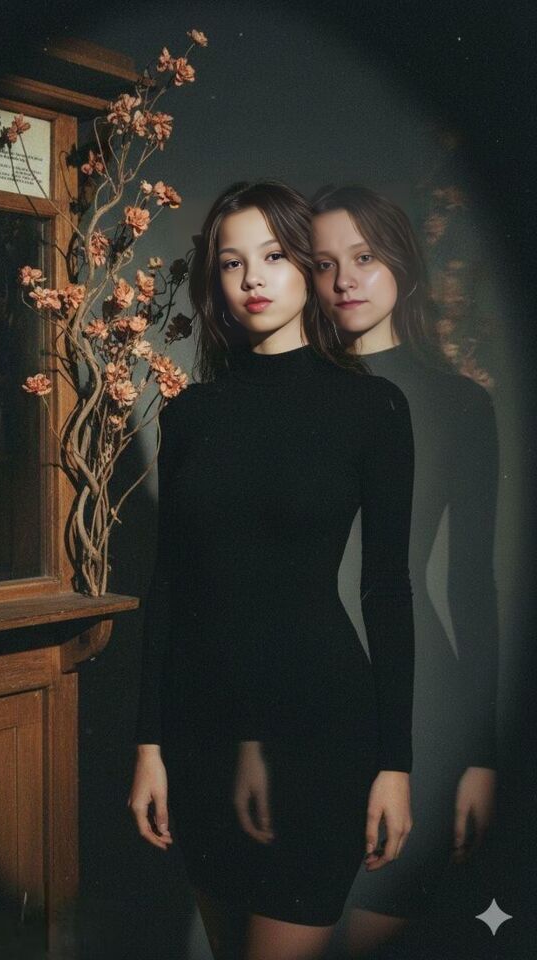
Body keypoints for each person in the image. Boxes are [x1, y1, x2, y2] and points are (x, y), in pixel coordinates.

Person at [128, 180, 416, 960]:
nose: (252, 278)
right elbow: (169, 587)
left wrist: (396, 766)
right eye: (232, 263)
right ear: (215, 281)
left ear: (307, 268)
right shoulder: (188, 415)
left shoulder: (373, 409)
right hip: (203, 734)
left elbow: (387, 590)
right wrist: (149, 748)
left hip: (318, 734)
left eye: (274, 256)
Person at [310, 185, 499, 957]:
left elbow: (470, 587)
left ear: (402, 263)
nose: (345, 280)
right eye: (324, 263)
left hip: (423, 703)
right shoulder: (292, 392)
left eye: (364, 257)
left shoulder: (460, 405)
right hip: (304, 695)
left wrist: (481, 755)